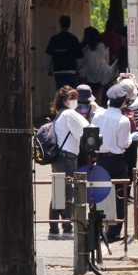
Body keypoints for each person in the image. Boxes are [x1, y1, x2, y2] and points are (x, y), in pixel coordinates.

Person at [91, 83, 133, 242]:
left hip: (100, 159)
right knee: (119, 195)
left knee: (101, 194)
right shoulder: (123, 120)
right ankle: (114, 231)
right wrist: (131, 139)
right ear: (123, 102)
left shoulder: (98, 115)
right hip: (116, 160)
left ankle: (99, 227)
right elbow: (124, 144)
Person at [47, 86, 87, 239]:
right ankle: (67, 227)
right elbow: (85, 131)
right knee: (68, 192)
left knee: (58, 191)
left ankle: (53, 228)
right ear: (65, 101)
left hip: (58, 157)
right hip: (68, 158)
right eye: (73, 98)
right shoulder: (70, 114)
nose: (76, 101)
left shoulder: (60, 114)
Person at [118, 75, 138, 180]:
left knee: (120, 162)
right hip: (134, 136)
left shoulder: (115, 104)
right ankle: (129, 187)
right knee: (131, 163)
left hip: (119, 135)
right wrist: (135, 83)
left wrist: (119, 84)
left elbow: (114, 96)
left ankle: (120, 190)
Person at [45, 16, 84, 88]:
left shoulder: (54, 39)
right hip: (71, 70)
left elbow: (49, 56)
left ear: (60, 24)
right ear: (69, 25)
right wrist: (78, 70)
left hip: (58, 70)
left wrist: (49, 69)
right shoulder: (73, 39)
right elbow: (78, 57)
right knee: (71, 92)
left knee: (61, 92)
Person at [78, 26, 112, 102]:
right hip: (102, 72)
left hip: (88, 73)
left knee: (89, 93)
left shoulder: (85, 47)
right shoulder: (103, 45)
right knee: (99, 91)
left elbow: (82, 61)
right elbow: (107, 60)